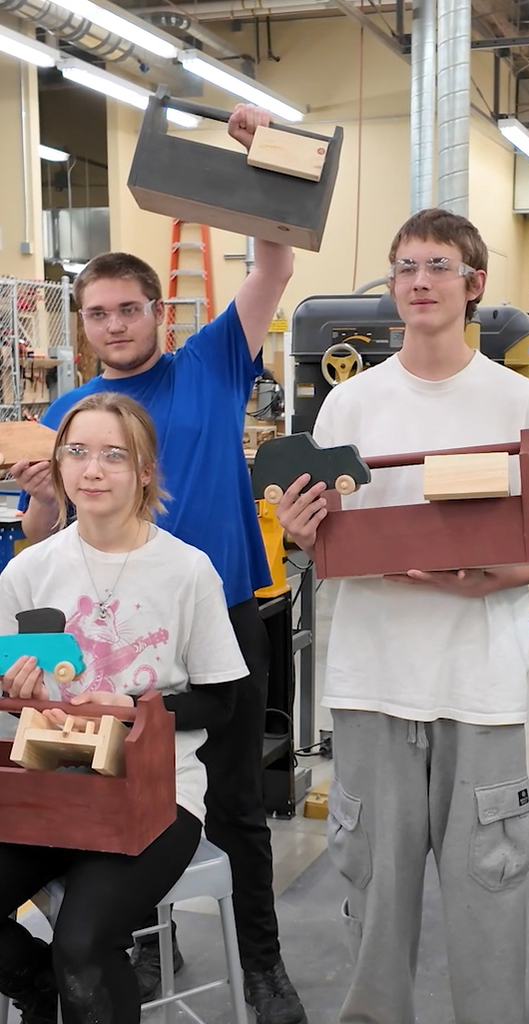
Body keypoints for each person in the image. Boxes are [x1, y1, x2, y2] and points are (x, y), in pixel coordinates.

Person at [10, 107, 305, 1024]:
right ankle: (131, 940)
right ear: (84, 325)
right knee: (114, 782)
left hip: (223, 614)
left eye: (127, 308)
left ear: (158, 312)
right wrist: (43, 498)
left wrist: (260, 160)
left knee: (238, 805)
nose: (113, 325)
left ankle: (263, 964)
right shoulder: (72, 414)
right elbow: (50, 536)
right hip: (114, 635)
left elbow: (274, 263)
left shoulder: (211, 359)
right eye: (96, 314)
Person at [276, 207, 529, 1024]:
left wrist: (488, 580)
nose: (419, 280)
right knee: (374, 899)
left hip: (478, 688)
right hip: (372, 682)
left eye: (439, 265)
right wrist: (302, 533)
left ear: (473, 284)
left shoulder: (518, 401)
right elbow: (323, 540)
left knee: (490, 899)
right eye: (406, 266)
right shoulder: (350, 405)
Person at [0, 393, 247, 1024]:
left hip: (157, 791)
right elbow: (8, 698)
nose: (93, 470)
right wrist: (19, 697)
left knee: (83, 946)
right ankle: (40, 989)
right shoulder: (29, 572)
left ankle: (67, 982)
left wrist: (131, 706)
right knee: (62, 964)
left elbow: (221, 703)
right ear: (58, 465)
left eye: (115, 455)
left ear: (144, 471)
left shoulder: (187, 571)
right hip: (51, 781)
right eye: (77, 452)